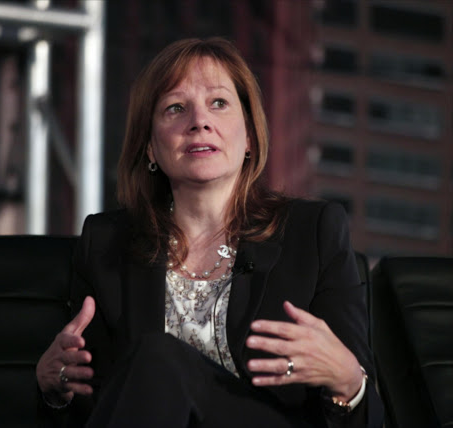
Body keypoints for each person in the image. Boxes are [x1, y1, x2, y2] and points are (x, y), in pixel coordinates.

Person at [36, 37, 384, 427]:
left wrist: (347, 380)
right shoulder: (106, 243)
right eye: (175, 108)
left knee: (157, 356)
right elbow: (102, 407)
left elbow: (371, 418)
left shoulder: (314, 232)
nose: (199, 121)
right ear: (150, 146)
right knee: (153, 361)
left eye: (218, 103)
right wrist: (56, 392)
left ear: (249, 136)